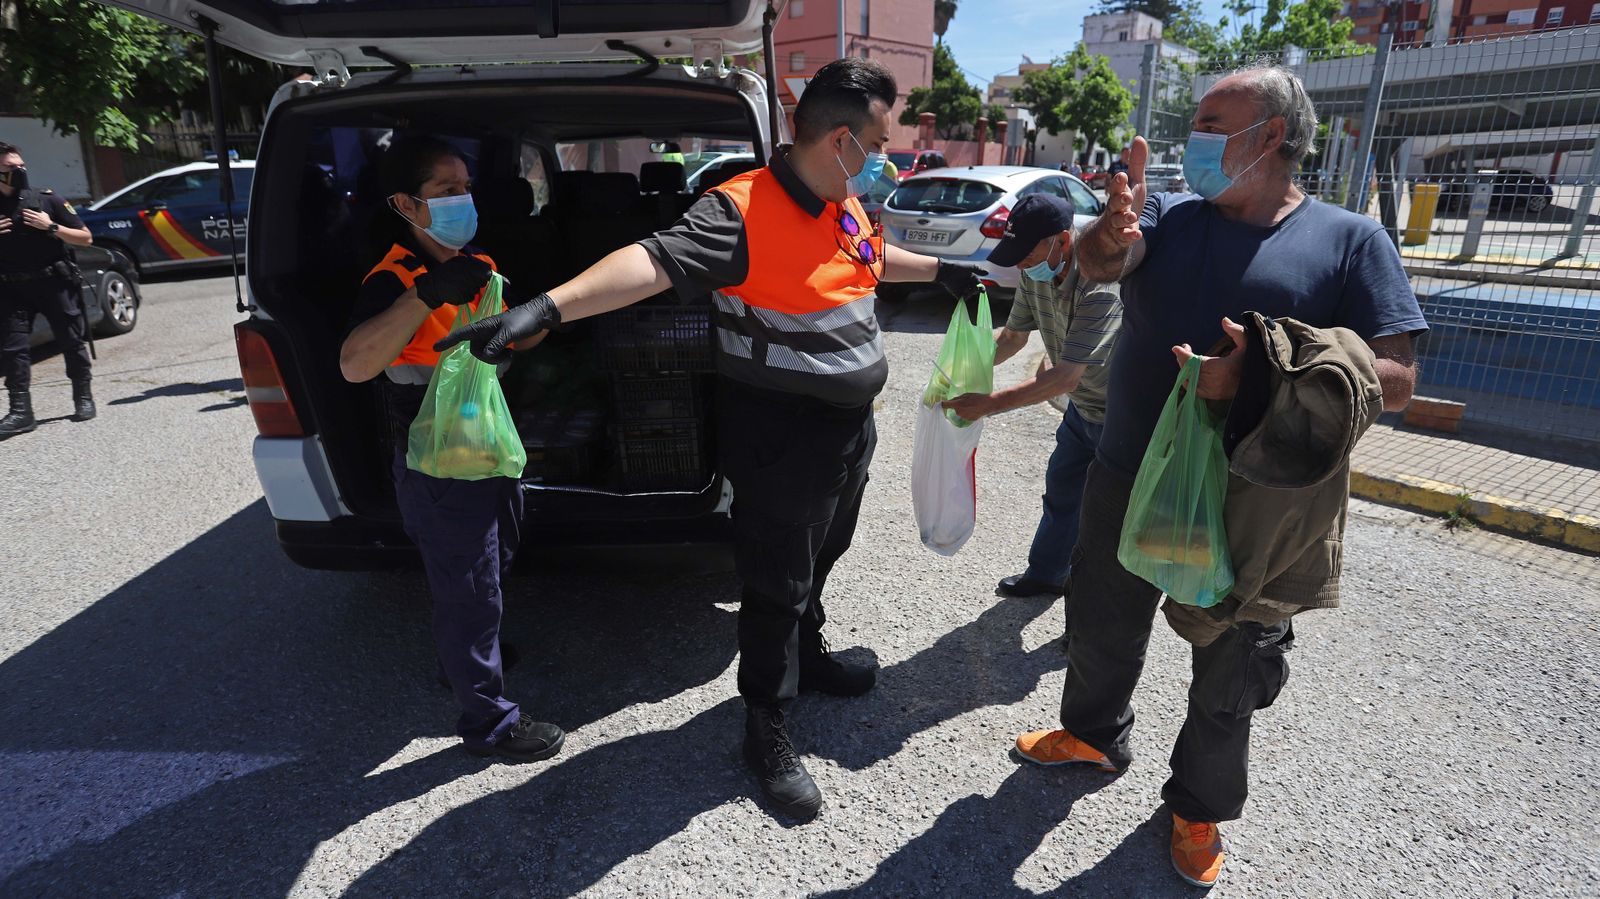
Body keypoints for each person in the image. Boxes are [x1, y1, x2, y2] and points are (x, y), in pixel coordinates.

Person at [435, 58, 985, 817]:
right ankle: (766, 722)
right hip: (780, 438)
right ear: (839, 140)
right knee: (773, 584)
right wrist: (549, 307)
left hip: (845, 435)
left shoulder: (842, 204)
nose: (887, 155)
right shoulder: (741, 211)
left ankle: (809, 650)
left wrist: (944, 271)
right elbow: (652, 262)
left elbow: (872, 258)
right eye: (881, 139)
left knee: (822, 556)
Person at [1011, 63, 1426, 888]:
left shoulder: (1351, 241)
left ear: (1270, 135)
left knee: (1235, 660)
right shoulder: (1170, 211)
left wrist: (1261, 377)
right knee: (1099, 617)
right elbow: (1104, 262)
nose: (1193, 136)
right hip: (1129, 469)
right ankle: (1094, 731)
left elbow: (1399, 378)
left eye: (1211, 120)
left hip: (1255, 501)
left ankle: (1197, 804)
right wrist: (1106, 232)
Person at [339, 134, 565, 764]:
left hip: (487, 439)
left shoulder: (483, 267)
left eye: (466, 188)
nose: (462, 200)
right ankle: (488, 721)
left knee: (493, 562)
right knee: (468, 584)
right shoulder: (393, 278)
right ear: (407, 205)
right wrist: (427, 294)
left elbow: (516, 345)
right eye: (445, 191)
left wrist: (536, 319)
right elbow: (356, 366)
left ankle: (472, 654)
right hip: (436, 453)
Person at [940, 194, 1122, 617]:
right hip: (1083, 408)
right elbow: (1012, 339)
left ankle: (1092, 623)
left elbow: (1063, 376)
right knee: (1062, 488)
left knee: (1108, 520)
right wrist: (954, 372)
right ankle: (1047, 573)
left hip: (1125, 417)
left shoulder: (1101, 283)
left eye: (1026, 254)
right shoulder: (1037, 273)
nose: (1020, 264)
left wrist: (987, 403)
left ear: (1062, 240)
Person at [0, 142, 98, 438]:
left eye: (21, 165)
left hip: (52, 282)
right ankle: (21, 412)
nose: (19, 171)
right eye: (10, 168)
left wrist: (51, 227)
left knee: (71, 340)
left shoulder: (47, 199)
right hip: (11, 288)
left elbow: (86, 238)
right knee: (13, 350)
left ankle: (83, 397)